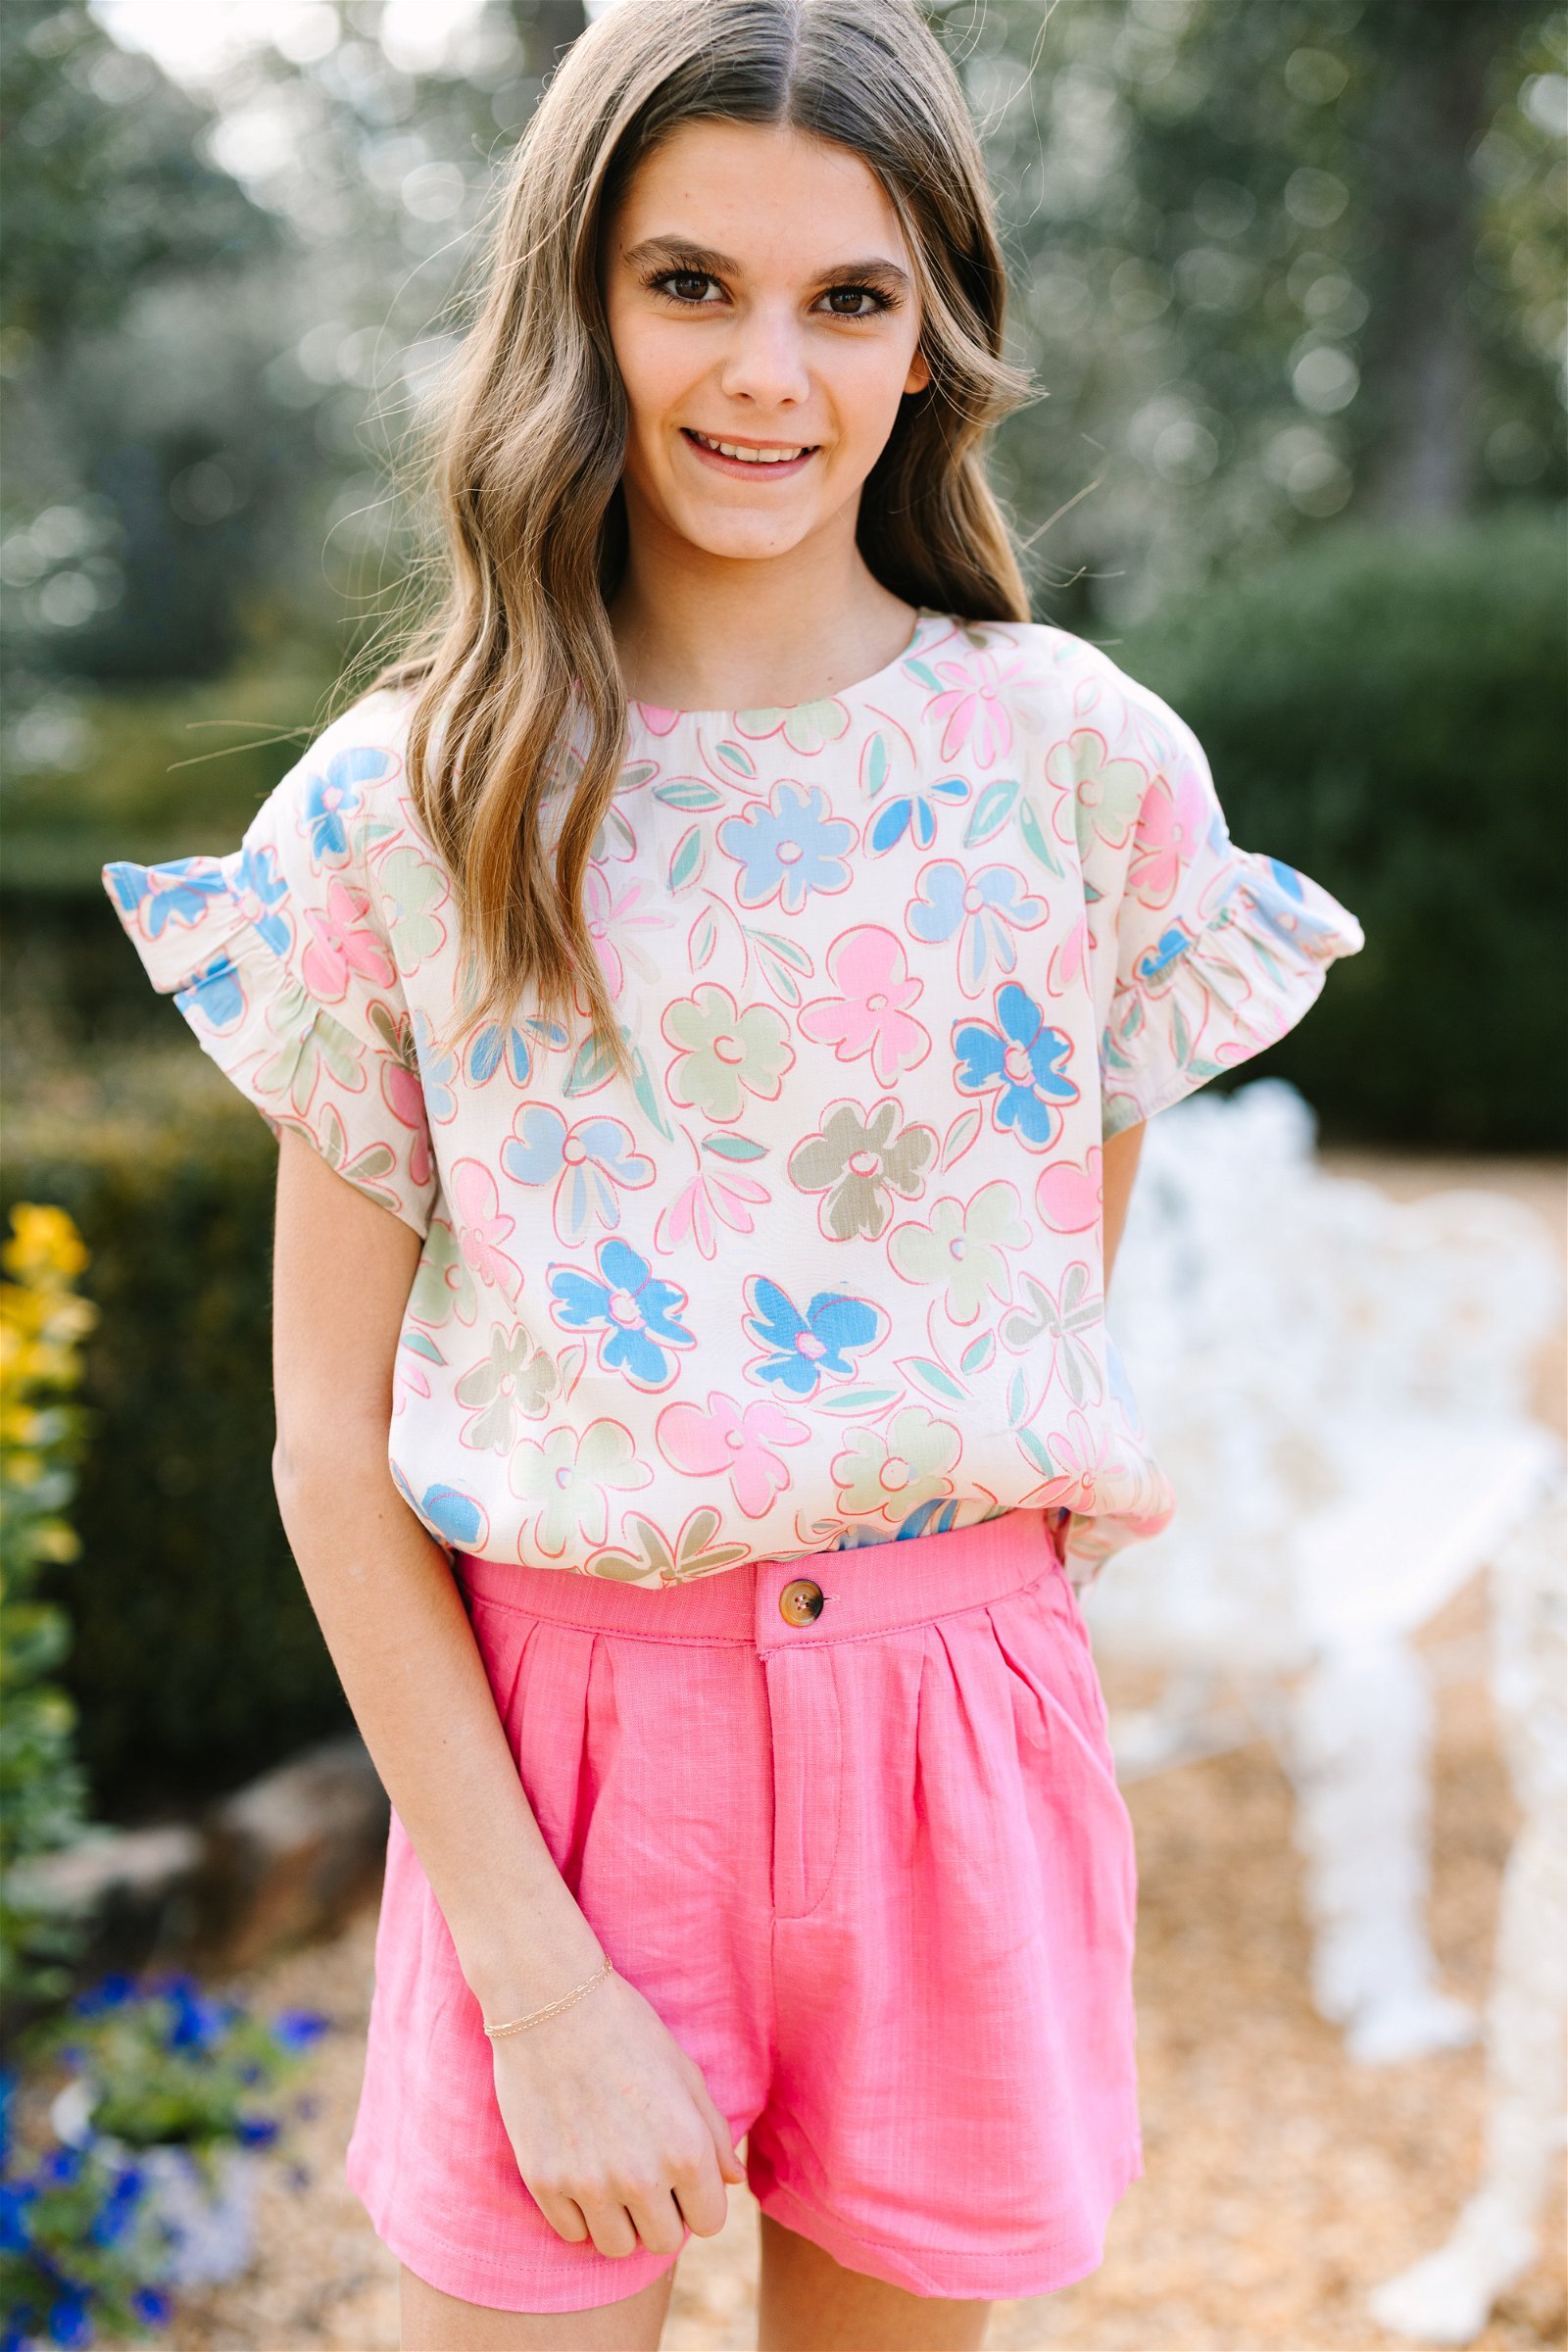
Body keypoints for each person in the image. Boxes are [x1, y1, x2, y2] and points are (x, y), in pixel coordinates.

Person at [101, 1, 1363, 2344]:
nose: (763, 370)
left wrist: (930, 1707)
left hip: (950, 1747)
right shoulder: (410, 805)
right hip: (562, 1770)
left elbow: (1035, 1313)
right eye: (688, 283)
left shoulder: (1080, 774)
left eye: (846, 296)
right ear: (573, 305)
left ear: (931, 343)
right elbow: (320, 1441)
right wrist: (530, 1962)